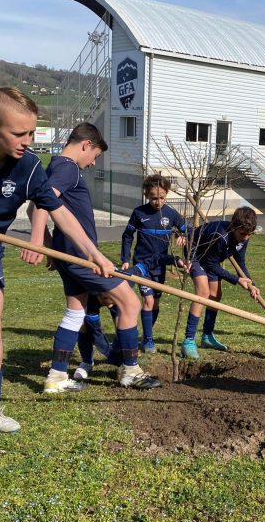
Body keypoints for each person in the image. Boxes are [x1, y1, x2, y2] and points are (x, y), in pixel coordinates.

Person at [0, 87, 114, 445]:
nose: (27, 141)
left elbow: (59, 212)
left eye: (32, 132)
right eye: (19, 133)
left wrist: (93, 253)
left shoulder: (29, 166)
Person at [23, 122, 161, 393]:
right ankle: (130, 371)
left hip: (68, 255)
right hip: (79, 256)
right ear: (86, 145)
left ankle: (57, 376)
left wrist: (50, 247)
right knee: (130, 303)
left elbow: (32, 208)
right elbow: (41, 204)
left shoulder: (54, 166)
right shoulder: (67, 168)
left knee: (75, 312)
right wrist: (39, 241)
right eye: (95, 155)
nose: (92, 162)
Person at [181, 207, 260, 360]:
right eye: (242, 234)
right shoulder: (220, 236)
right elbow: (211, 266)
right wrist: (236, 280)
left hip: (211, 258)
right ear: (233, 227)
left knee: (216, 295)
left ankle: (207, 336)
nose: (245, 238)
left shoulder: (244, 235)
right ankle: (188, 341)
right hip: (195, 253)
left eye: (249, 234)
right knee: (203, 292)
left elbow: (239, 261)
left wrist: (251, 284)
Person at [120, 174, 188, 354]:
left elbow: (188, 231)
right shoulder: (139, 213)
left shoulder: (171, 214)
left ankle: (147, 333)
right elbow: (127, 236)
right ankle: (148, 341)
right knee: (148, 301)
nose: (158, 202)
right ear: (147, 195)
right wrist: (125, 260)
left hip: (160, 265)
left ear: (167, 194)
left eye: (162, 197)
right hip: (142, 265)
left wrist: (184, 236)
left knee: (155, 303)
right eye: (154, 198)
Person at [73, 293, 122, 380]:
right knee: (84, 324)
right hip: (92, 293)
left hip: (118, 292)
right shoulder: (91, 295)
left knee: (122, 326)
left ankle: (127, 361)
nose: (110, 305)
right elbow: (95, 332)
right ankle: (87, 361)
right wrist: (110, 354)